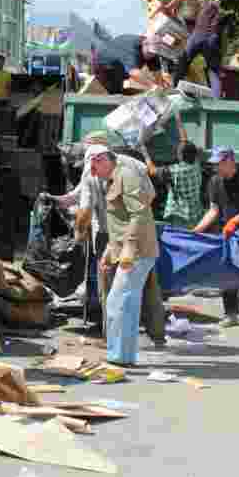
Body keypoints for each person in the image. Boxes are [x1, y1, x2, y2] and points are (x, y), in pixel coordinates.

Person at [51, 142, 167, 349]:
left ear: (97, 160)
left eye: (93, 167)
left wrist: (78, 238)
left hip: (120, 236)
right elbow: (149, 197)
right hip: (131, 236)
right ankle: (155, 335)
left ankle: (114, 339)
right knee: (144, 287)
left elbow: (85, 211)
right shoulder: (132, 165)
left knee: (115, 293)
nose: (94, 173)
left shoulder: (102, 173)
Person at [88, 147, 160, 366]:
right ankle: (123, 355)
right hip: (129, 251)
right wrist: (110, 251)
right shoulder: (114, 177)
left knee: (119, 301)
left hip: (137, 251)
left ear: (102, 160)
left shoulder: (125, 175)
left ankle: (119, 356)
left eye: (94, 167)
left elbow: (138, 213)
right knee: (125, 302)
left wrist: (128, 246)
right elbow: (119, 220)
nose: (93, 172)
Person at [193, 146, 239, 327]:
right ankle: (230, 313)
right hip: (225, 232)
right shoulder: (214, 182)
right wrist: (196, 231)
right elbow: (214, 211)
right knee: (227, 270)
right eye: (215, 164)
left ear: (230, 162)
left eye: (219, 164)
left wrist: (235, 221)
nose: (216, 168)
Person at [154, 0, 223, 98]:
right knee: (213, 72)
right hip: (211, 38)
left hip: (197, 35)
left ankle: (174, 89)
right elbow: (169, 9)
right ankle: (216, 100)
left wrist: (163, 9)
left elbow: (168, 9)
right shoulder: (214, 1)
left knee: (183, 62)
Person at [142, 115, 204, 230]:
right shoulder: (196, 163)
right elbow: (184, 141)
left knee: (180, 238)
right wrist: (178, 121)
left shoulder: (175, 171)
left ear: (180, 156)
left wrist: (144, 151)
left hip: (180, 215)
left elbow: (152, 170)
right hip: (195, 212)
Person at [92, 34, 164, 94]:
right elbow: (134, 73)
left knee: (124, 82)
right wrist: (153, 86)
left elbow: (158, 74)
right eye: (149, 53)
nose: (151, 55)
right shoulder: (131, 49)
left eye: (153, 53)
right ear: (144, 44)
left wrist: (161, 88)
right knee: (116, 91)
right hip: (103, 65)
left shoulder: (152, 50)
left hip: (120, 64)